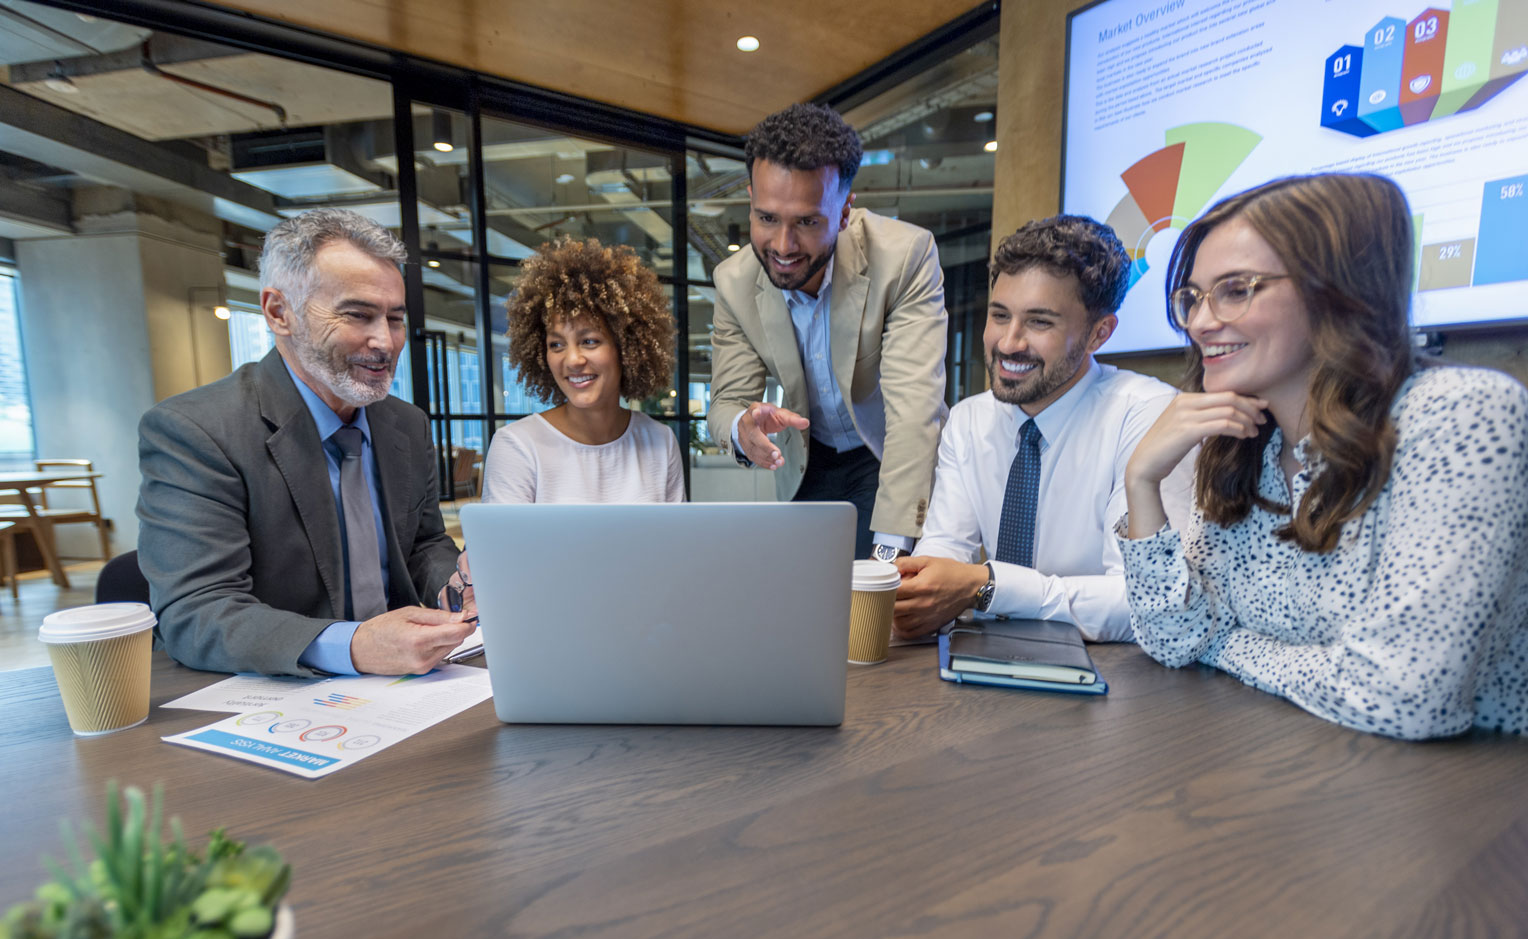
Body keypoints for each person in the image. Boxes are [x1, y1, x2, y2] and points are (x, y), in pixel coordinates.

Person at [1117, 173, 1528, 739]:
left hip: (1477, 790)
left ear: (1335, 289)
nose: (1200, 321)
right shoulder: (1246, 442)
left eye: (1236, 289)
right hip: (1316, 767)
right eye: (1192, 297)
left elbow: (1400, 697)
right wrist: (1141, 480)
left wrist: (1227, 644)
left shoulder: (1461, 414)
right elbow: (1176, 637)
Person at [137, 208, 475, 678]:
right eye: (358, 315)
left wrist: (454, 584)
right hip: (279, 696)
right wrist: (352, 646)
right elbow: (195, 614)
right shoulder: (197, 431)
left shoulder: (406, 424)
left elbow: (422, 544)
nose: (385, 341)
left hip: (410, 685)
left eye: (395, 319)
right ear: (280, 313)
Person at [892, 215, 1194, 642]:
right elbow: (945, 552)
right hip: (981, 664)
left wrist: (988, 586)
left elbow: (1142, 601)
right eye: (1000, 315)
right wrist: (919, 590)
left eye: (1040, 322)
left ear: (1098, 334)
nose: (1009, 342)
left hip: (1112, 680)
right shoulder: (968, 420)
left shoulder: (1148, 416)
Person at [705, 102, 949, 560]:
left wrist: (889, 557)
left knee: (876, 612)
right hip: (806, 460)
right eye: (767, 218)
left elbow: (914, 413)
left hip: (886, 454)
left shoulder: (906, 257)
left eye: (807, 222)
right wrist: (741, 427)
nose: (782, 246)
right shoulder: (733, 282)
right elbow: (725, 404)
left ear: (843, 213)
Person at [482, 237, 684, 503]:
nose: (572, 359)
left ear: (626, 347)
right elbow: (503, 545)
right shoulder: (518, 446)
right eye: (557, 344)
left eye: (589, 341)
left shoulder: (661, 442)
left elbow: (675, 543)